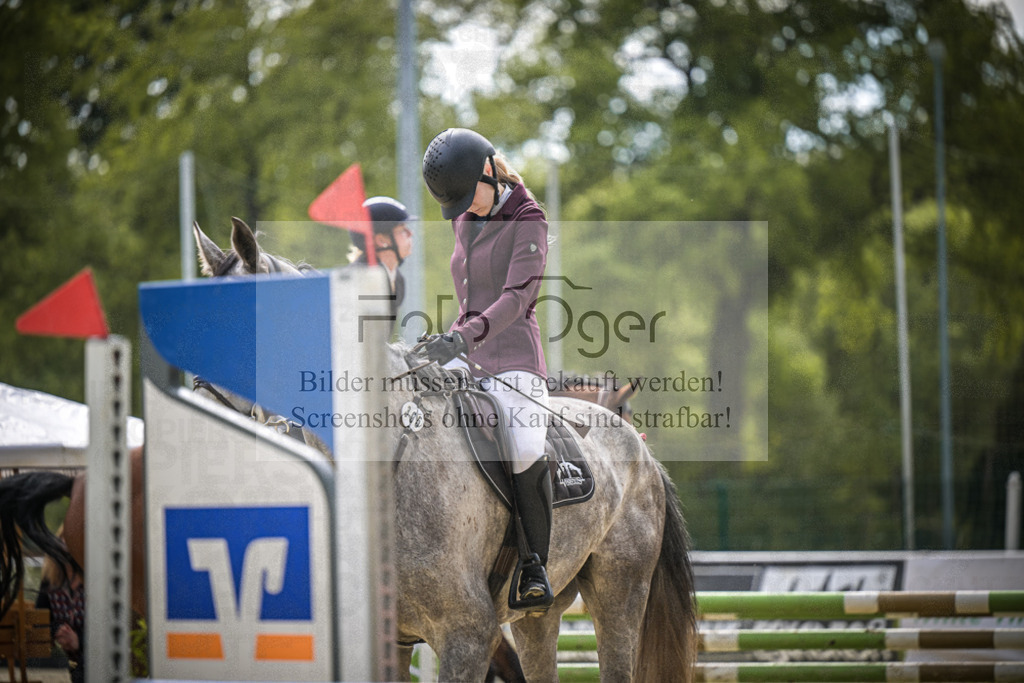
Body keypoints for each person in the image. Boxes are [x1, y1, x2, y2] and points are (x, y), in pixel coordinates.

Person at [421, 127, 553, 612]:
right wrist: (443, 341)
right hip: (468, 350)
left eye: (467, 199)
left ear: (491, 172)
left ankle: (535, 564)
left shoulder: (529, 219)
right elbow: (470, 300)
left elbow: (516, 300)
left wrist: (465, 337)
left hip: (515, 360)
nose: (464, 212)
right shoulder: (466, 218)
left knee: (522, 444)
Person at [349, 195, 415, 327]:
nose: (410, 233)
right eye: (402, 230)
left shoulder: (397, 279)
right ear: (381, 240)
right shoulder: (360, 279)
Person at [35, 536, 85, 683]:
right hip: (73, 661)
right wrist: (58, 630)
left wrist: (79, 640)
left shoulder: (95, 580)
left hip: (99, 656)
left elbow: (108, 624)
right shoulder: (50, 582)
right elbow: (40, 619)